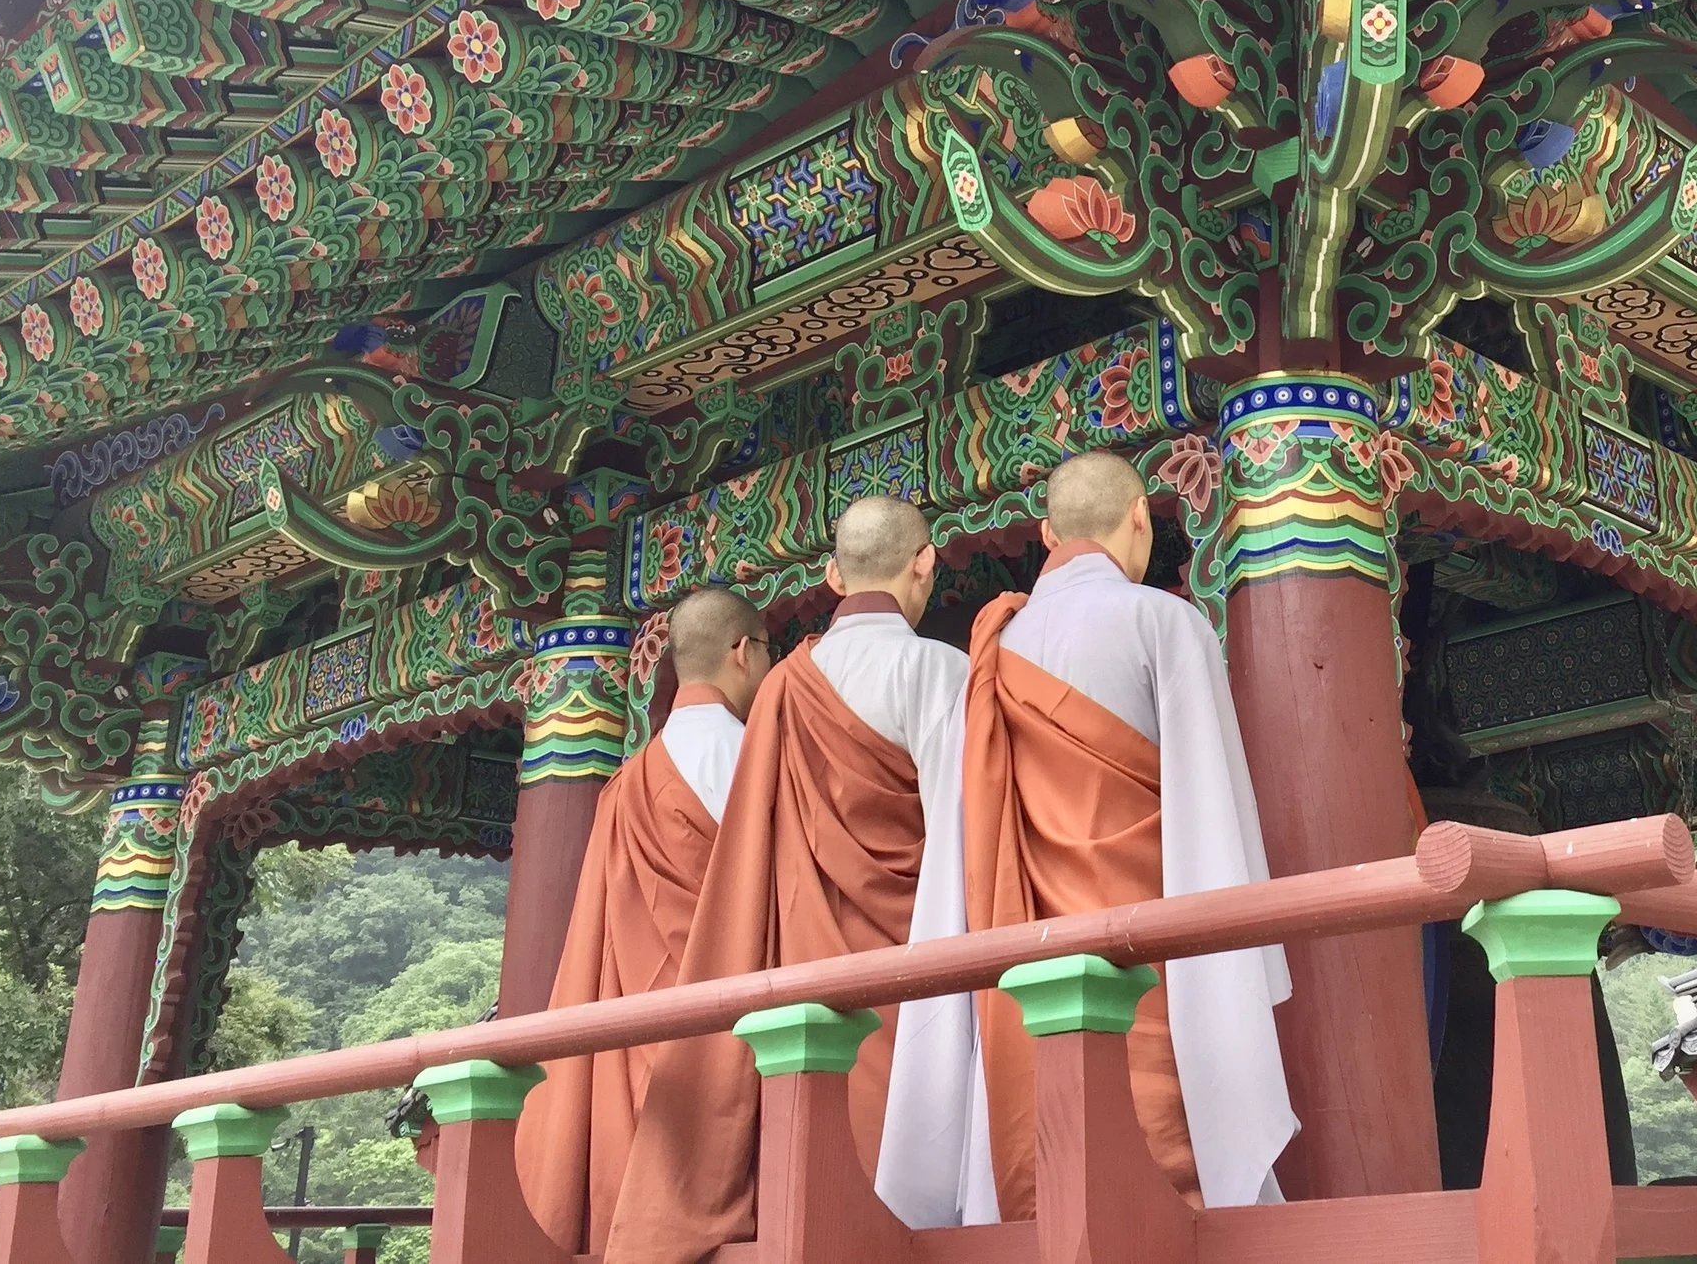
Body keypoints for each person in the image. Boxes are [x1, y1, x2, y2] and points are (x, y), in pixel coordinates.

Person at [605, 497, 987, 1264]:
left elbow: (754, 854)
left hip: (807, 979)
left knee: (818, 1163)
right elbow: (966, 837)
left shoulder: (781, 686)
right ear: (925, 562)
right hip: (921, 963)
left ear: (831, 573)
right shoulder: (941, 669)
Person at [967, 450, 1295, 1217]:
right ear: (1142, 514)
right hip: (1153, 971)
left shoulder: (991, 656)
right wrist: (1244, 967)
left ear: (1047, 535)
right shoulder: (1164, 620)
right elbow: (1212, 809)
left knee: (1062, 1173)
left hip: (1034, 973)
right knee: (1171, 1176)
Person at [516, 587, 775, 1254]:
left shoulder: (627, 782)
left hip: (637, 1034)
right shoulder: (758, 757)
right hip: (734, 1038)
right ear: (744, 653)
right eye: (769, 652)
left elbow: (597, 941)